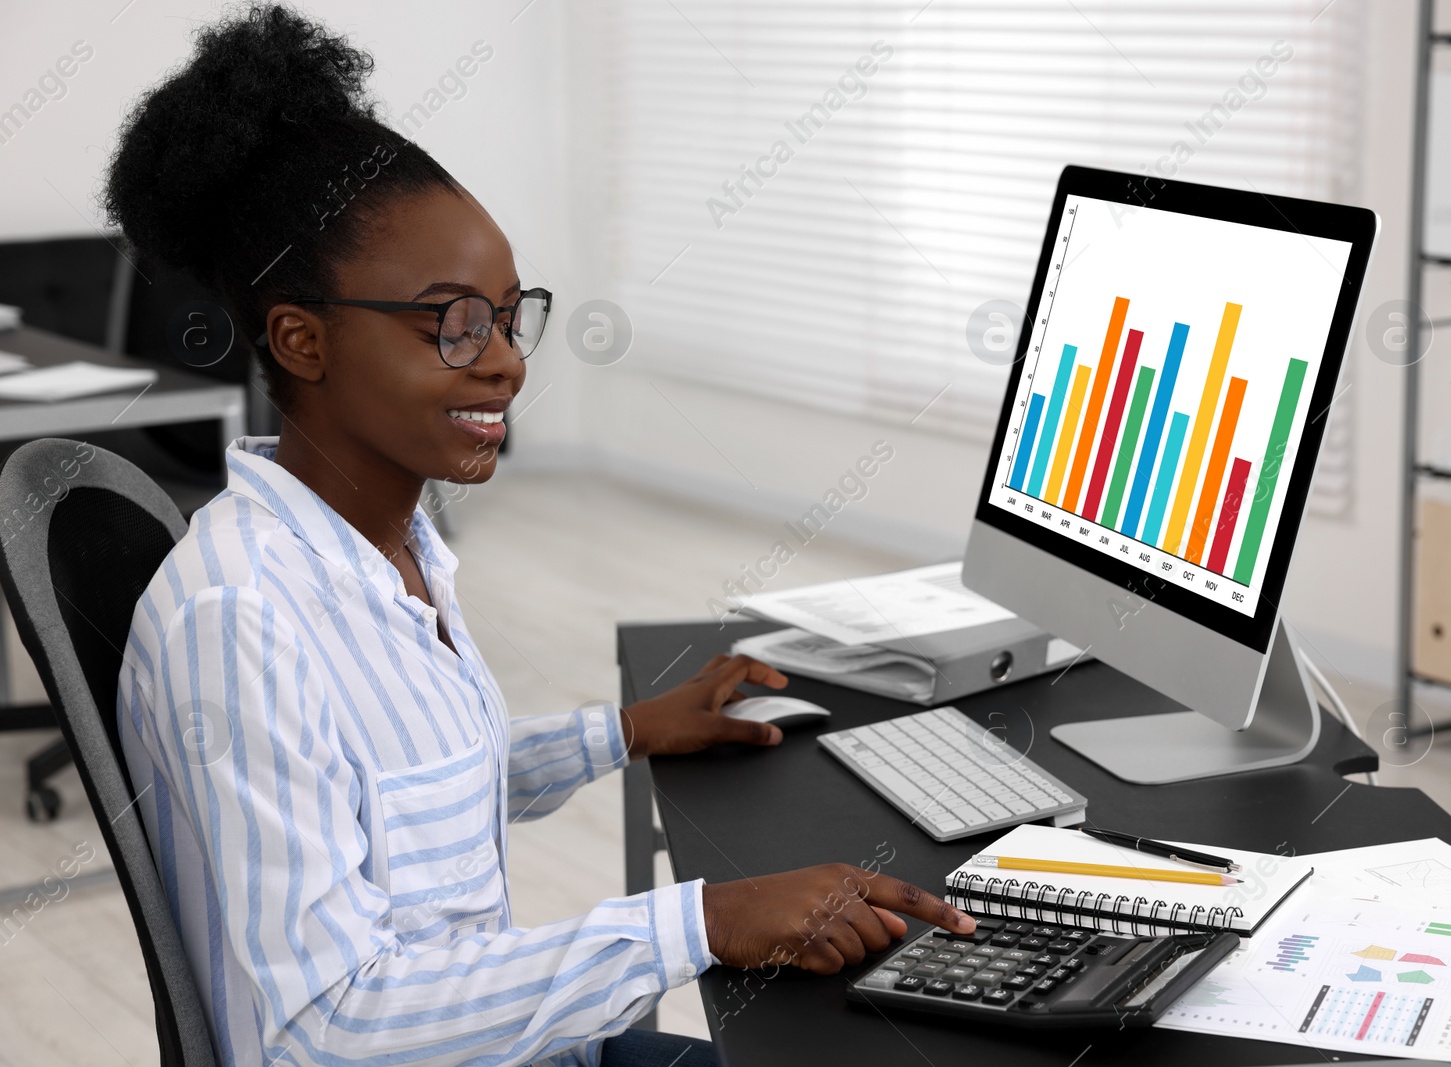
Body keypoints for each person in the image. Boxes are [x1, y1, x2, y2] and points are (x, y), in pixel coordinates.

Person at [105, 6, 974, 1067]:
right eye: (453, 323)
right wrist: (692, 921)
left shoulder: (392, 544)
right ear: (303, 337)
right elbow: (320, 1028)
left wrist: (625, 730)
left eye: (511, 318)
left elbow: (404, 796)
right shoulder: (239, 619)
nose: (507, 362)